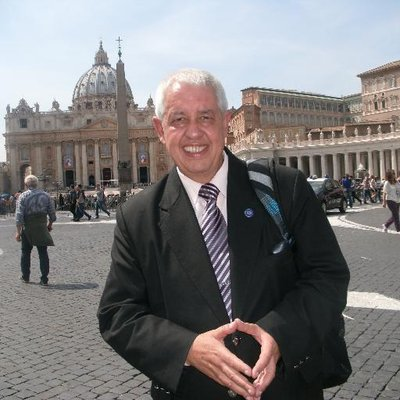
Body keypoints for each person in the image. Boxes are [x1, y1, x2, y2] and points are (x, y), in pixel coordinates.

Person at [97, 69, 350, 400]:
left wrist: (280, 334)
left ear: (226, 122)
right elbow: (118, 313)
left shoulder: (285, 188)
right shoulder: (137, 216)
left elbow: (328, 275)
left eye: (206, 117)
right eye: (178, 119)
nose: (193, 132)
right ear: (159, 129)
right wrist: (188, 348)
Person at [15, 174, 56, 285]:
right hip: (41, 226)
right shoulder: (46, 195)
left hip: (27, 227)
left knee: (25, 252)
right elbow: (52, 213)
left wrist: (18, 232)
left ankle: (25, 276)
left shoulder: (23, 196)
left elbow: (19, 216)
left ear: (26, 185)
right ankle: (44, 278)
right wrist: (50, 224)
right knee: (43, 252)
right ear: (37, 184)